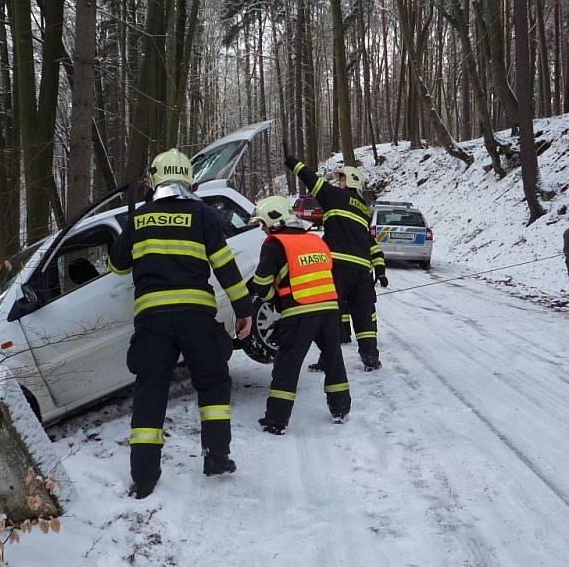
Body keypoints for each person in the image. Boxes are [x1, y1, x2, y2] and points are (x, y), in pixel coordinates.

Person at [108, 148, 253, 499]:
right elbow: (224, 265)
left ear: (155, 177)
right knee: (213, 384)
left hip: (152, 321)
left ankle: (143, 477)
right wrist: (243, 308)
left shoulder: (139, 217)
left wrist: (131, 225)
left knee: (149, 392)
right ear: (189, 179)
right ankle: (216, 458)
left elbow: (117, 266)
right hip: (196, 317)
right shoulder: (202, 214)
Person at [248, 196, 351, 435]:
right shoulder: (316, 241)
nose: (262, 229)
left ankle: (276, 420)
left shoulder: (275, 244)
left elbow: (261, 283)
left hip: (299, 312)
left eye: (263, 224)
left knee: (287, 365)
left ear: (275, 219)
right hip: (328, 309)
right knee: (333, 359)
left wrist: (275, 299)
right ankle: (341, 408)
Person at [285, 152, 382, 371]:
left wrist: (292, 161)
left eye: (341, 179)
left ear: (350, 182)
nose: (337, 182)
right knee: (364, 312)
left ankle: (327, 359)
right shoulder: (365, 210)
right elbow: (367, 241)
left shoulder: (335, 197)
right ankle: (370, 357)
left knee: (331, 314)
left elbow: (311, 179)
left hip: (338, 266)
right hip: (362, 270)